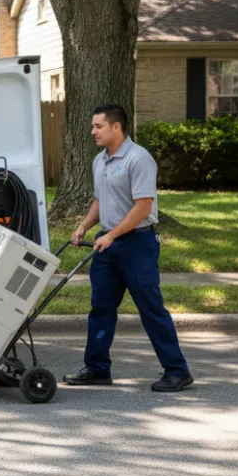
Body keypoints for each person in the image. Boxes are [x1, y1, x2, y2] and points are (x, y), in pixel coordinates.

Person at [63, 104, 193, 392]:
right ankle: (97, 369)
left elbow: (142, 206)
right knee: (101, 308)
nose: (92, 131)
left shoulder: (138, 159)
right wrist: (84, 226)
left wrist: (113, 235)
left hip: (137, 244)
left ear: (116, 127)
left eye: (98, 126)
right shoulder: (100, 161)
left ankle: (177, 370)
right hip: (107, 246)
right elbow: (100, 200)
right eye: (93, 126)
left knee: (150, 308)